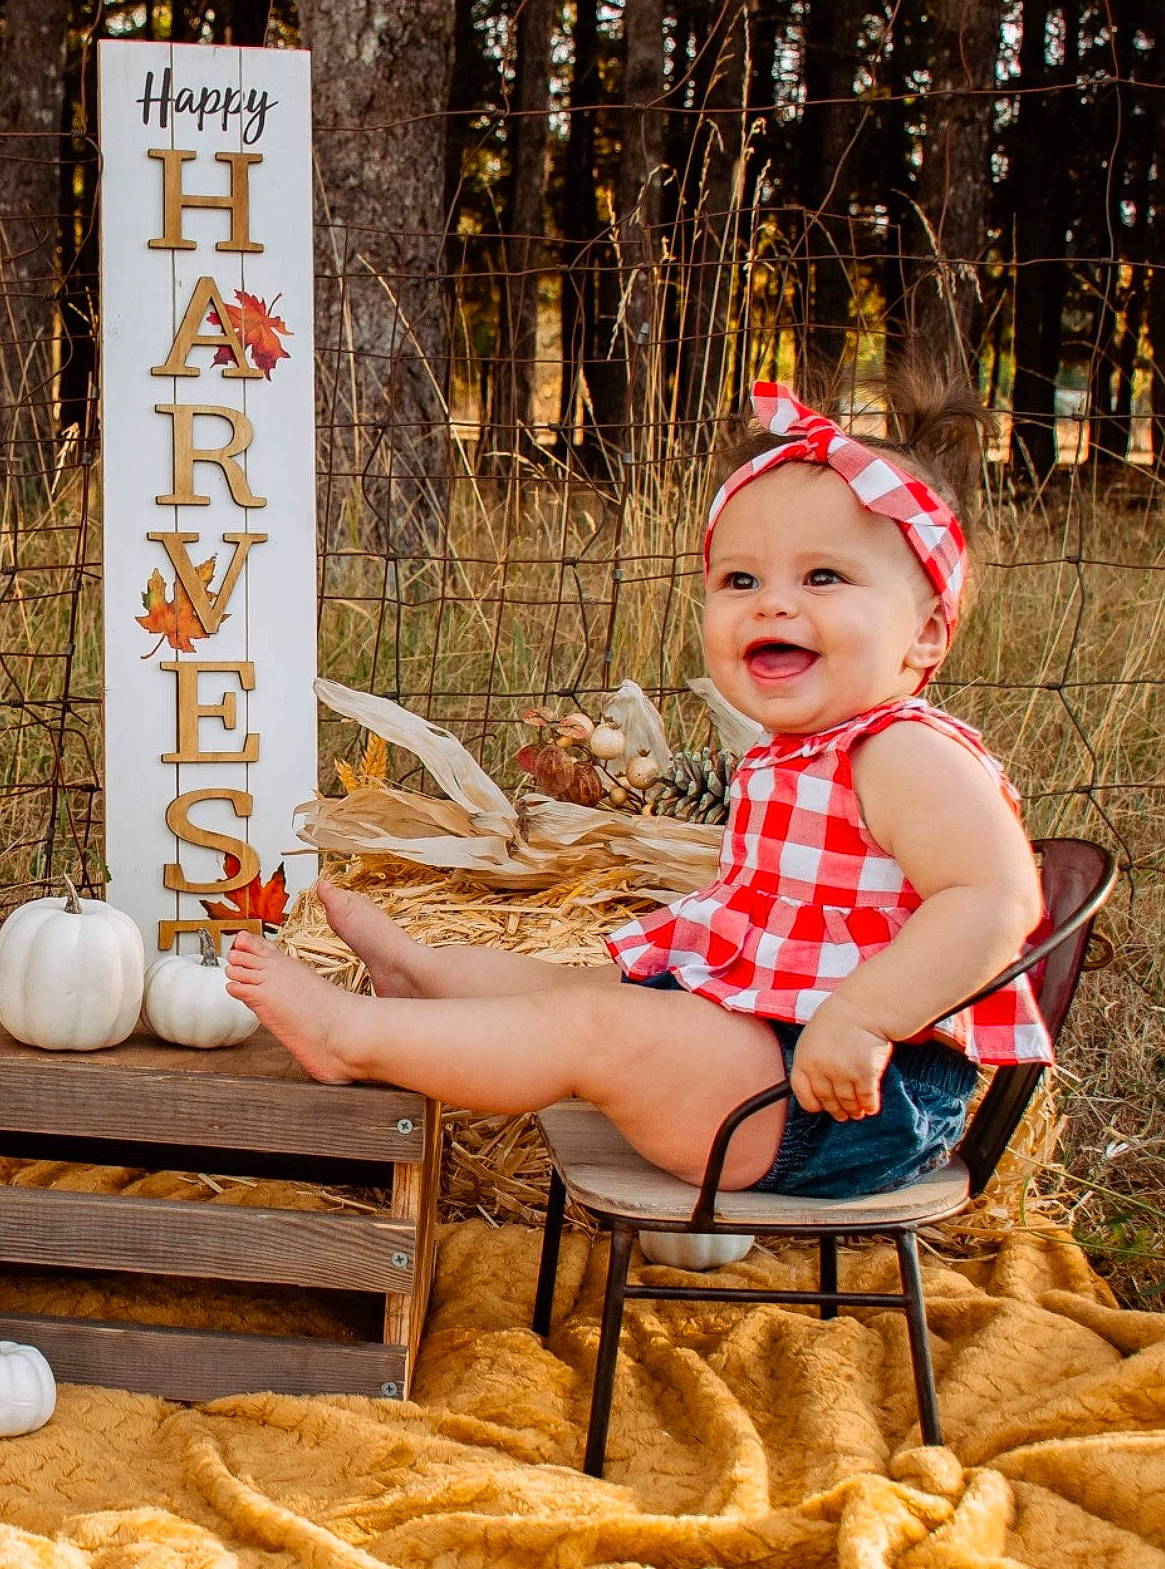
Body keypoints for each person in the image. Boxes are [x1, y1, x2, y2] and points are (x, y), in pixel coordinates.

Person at [225, 373, 1046, 1200]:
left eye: (824, 577)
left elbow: (995, 901)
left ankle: (354, 1039)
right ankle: (422, 976)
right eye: (740, 581)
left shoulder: (905, 753)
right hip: (768, 1056)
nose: (772, 607)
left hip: (845, 1101)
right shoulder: (806, 748)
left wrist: (864, 1017)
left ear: (927, 631)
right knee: (583, 988)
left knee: (601, 1026)